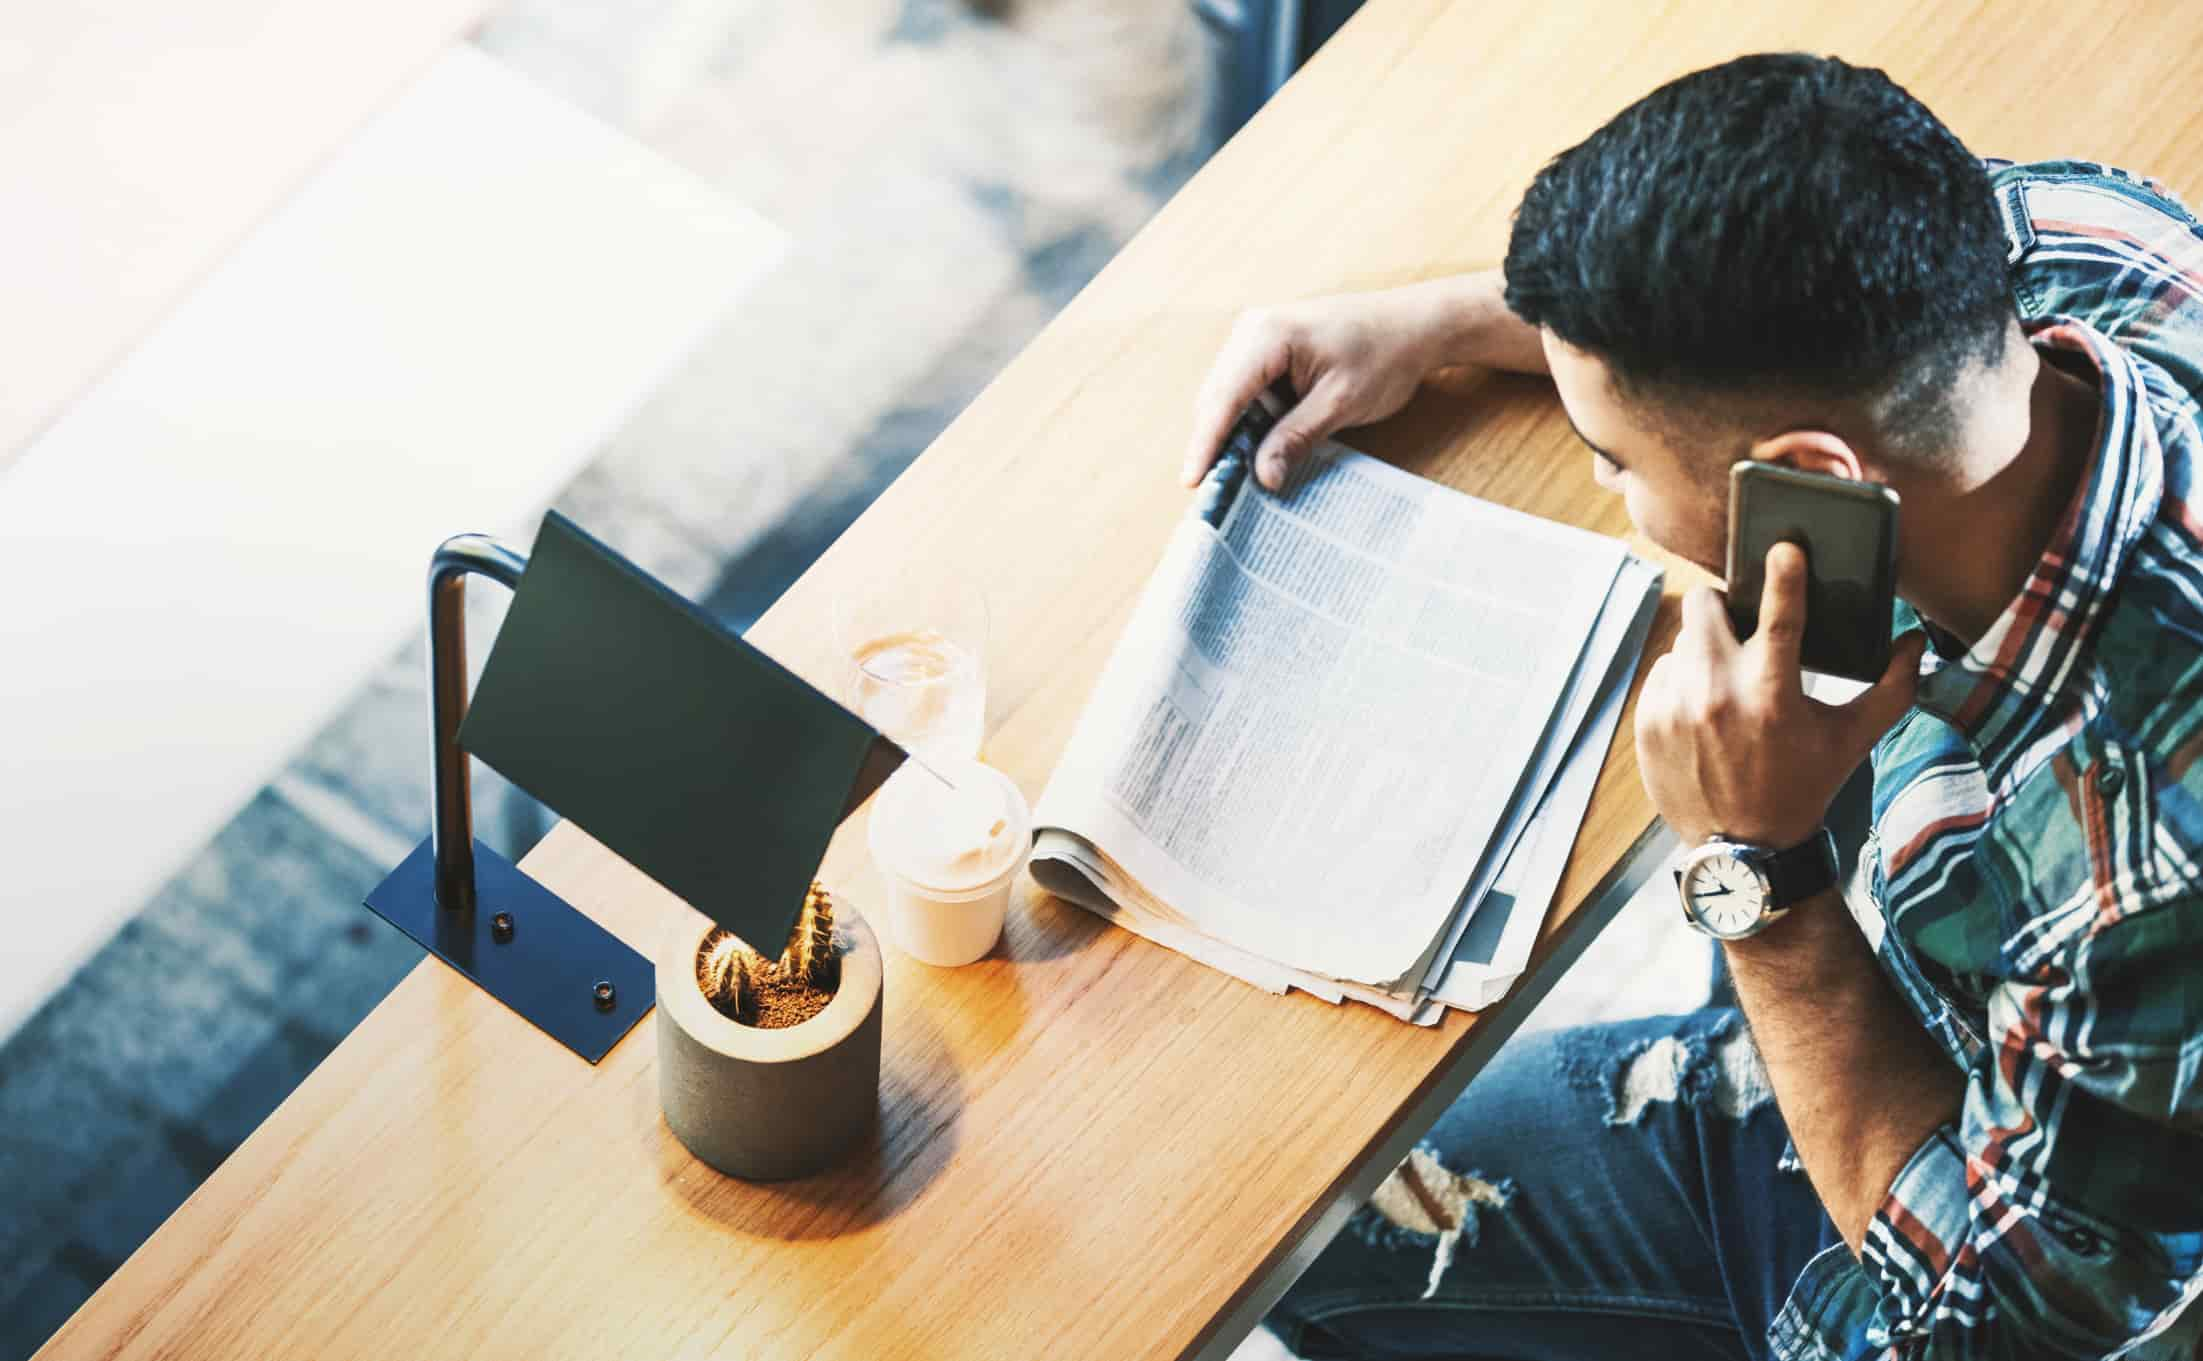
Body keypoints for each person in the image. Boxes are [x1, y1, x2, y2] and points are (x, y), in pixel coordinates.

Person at [1182, 53, 2203, 1361]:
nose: (1604, 477)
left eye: (1610, 459)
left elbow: (1987, 1329)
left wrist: (1758, 879)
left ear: (1806, 482)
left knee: (1309, 1225)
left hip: (1964, 1190)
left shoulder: (2149, 875)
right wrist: (1430, 326)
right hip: (1971, 939)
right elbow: (1774, 301)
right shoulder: (2098, 254)